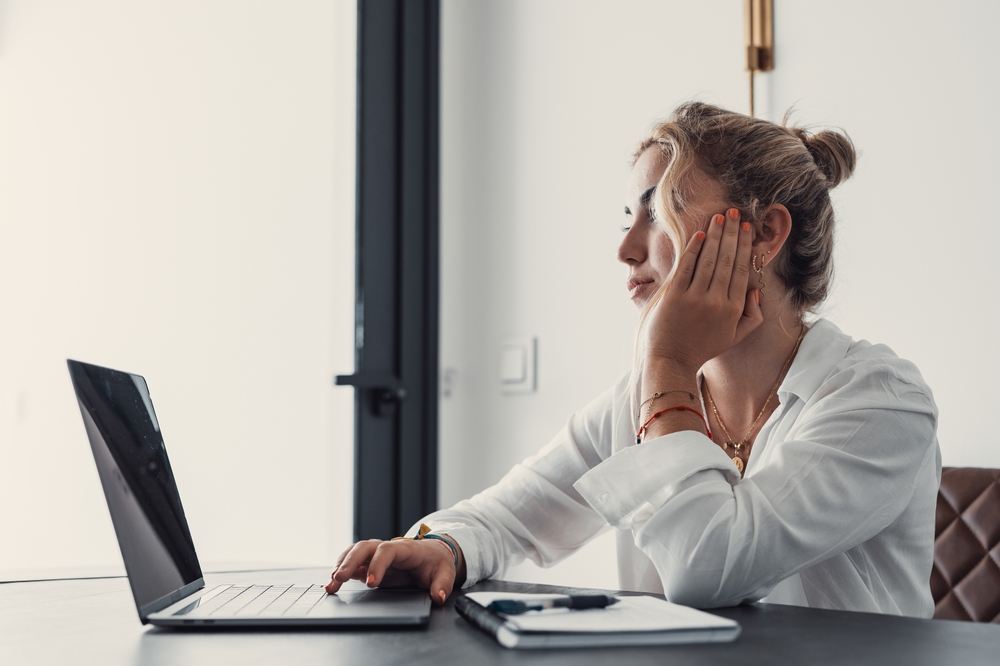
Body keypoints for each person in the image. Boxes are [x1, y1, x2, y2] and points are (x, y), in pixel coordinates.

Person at [326, 102, 941, 617]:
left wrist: (667, 360)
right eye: (627, 218)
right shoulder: (640, 396)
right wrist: (447, 548)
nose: (626, 249)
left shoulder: (880, 400)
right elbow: (509, 516)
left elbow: (710, 568)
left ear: (766, 234)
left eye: (659, 209)